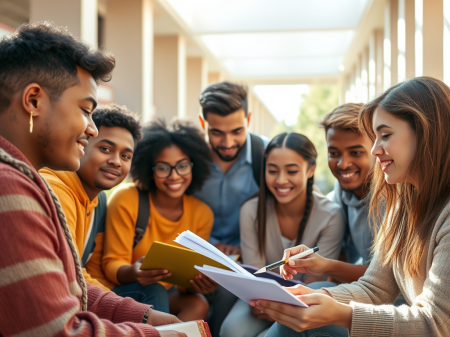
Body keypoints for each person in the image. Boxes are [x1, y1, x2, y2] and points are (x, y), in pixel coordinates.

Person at [0, 22, 183, 337]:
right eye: (85, 110)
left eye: (126, 155)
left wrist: (143, 316)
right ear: (33, 101)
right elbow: (58, 331)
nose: (92, 128)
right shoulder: (9, 188)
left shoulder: (30, 182)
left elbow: (67, 283)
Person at [252, 77, 450, 337]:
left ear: (426, 133)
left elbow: (435, 323)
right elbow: (375, 289)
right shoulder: (402, 205)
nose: (375, 150)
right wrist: (312, 295)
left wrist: (339, 312)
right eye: (375, 138)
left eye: (385, 136)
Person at [40, 104, 170, 312]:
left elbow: (93, 273)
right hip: (53, 299)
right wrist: (130, 310)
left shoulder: (98, 200)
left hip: (78, 289)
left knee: (153, 291)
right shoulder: (56, 190)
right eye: (106, 149)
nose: (116, 161)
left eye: (126, 156)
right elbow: (68, 275)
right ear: (82, 145)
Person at [220, 132, 345, 337]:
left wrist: (281, 306)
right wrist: (263, 301)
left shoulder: (331, 215)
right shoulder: (251, 210)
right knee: (232, 331)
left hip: (303, 301)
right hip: (258, 301)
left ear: (311, 169)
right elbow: (254, 274)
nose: (281, 180)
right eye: (272, 170)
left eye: (292, 171)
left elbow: (314, 283)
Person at [103, 119, 216, 322]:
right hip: (121, 290)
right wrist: (134, 272)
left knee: (198, 303)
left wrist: (199, 282)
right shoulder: (127, 199)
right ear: (149, 169)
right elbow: (111, 264)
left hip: (167, 292)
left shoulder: (202, 213)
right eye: (163, 168)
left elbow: (183, 283)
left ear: (194, 166)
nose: (174, 176)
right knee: (154, 290)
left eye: (182, 166)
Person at [194, 82, 268, 336]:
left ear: (248, 119)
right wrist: (209, 246)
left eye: (237, 131)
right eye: (216, 132)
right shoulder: (187, 160)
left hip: (249, 263)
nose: (227, 142)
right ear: (203, 124)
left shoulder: (268, 155)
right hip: (197, 261)